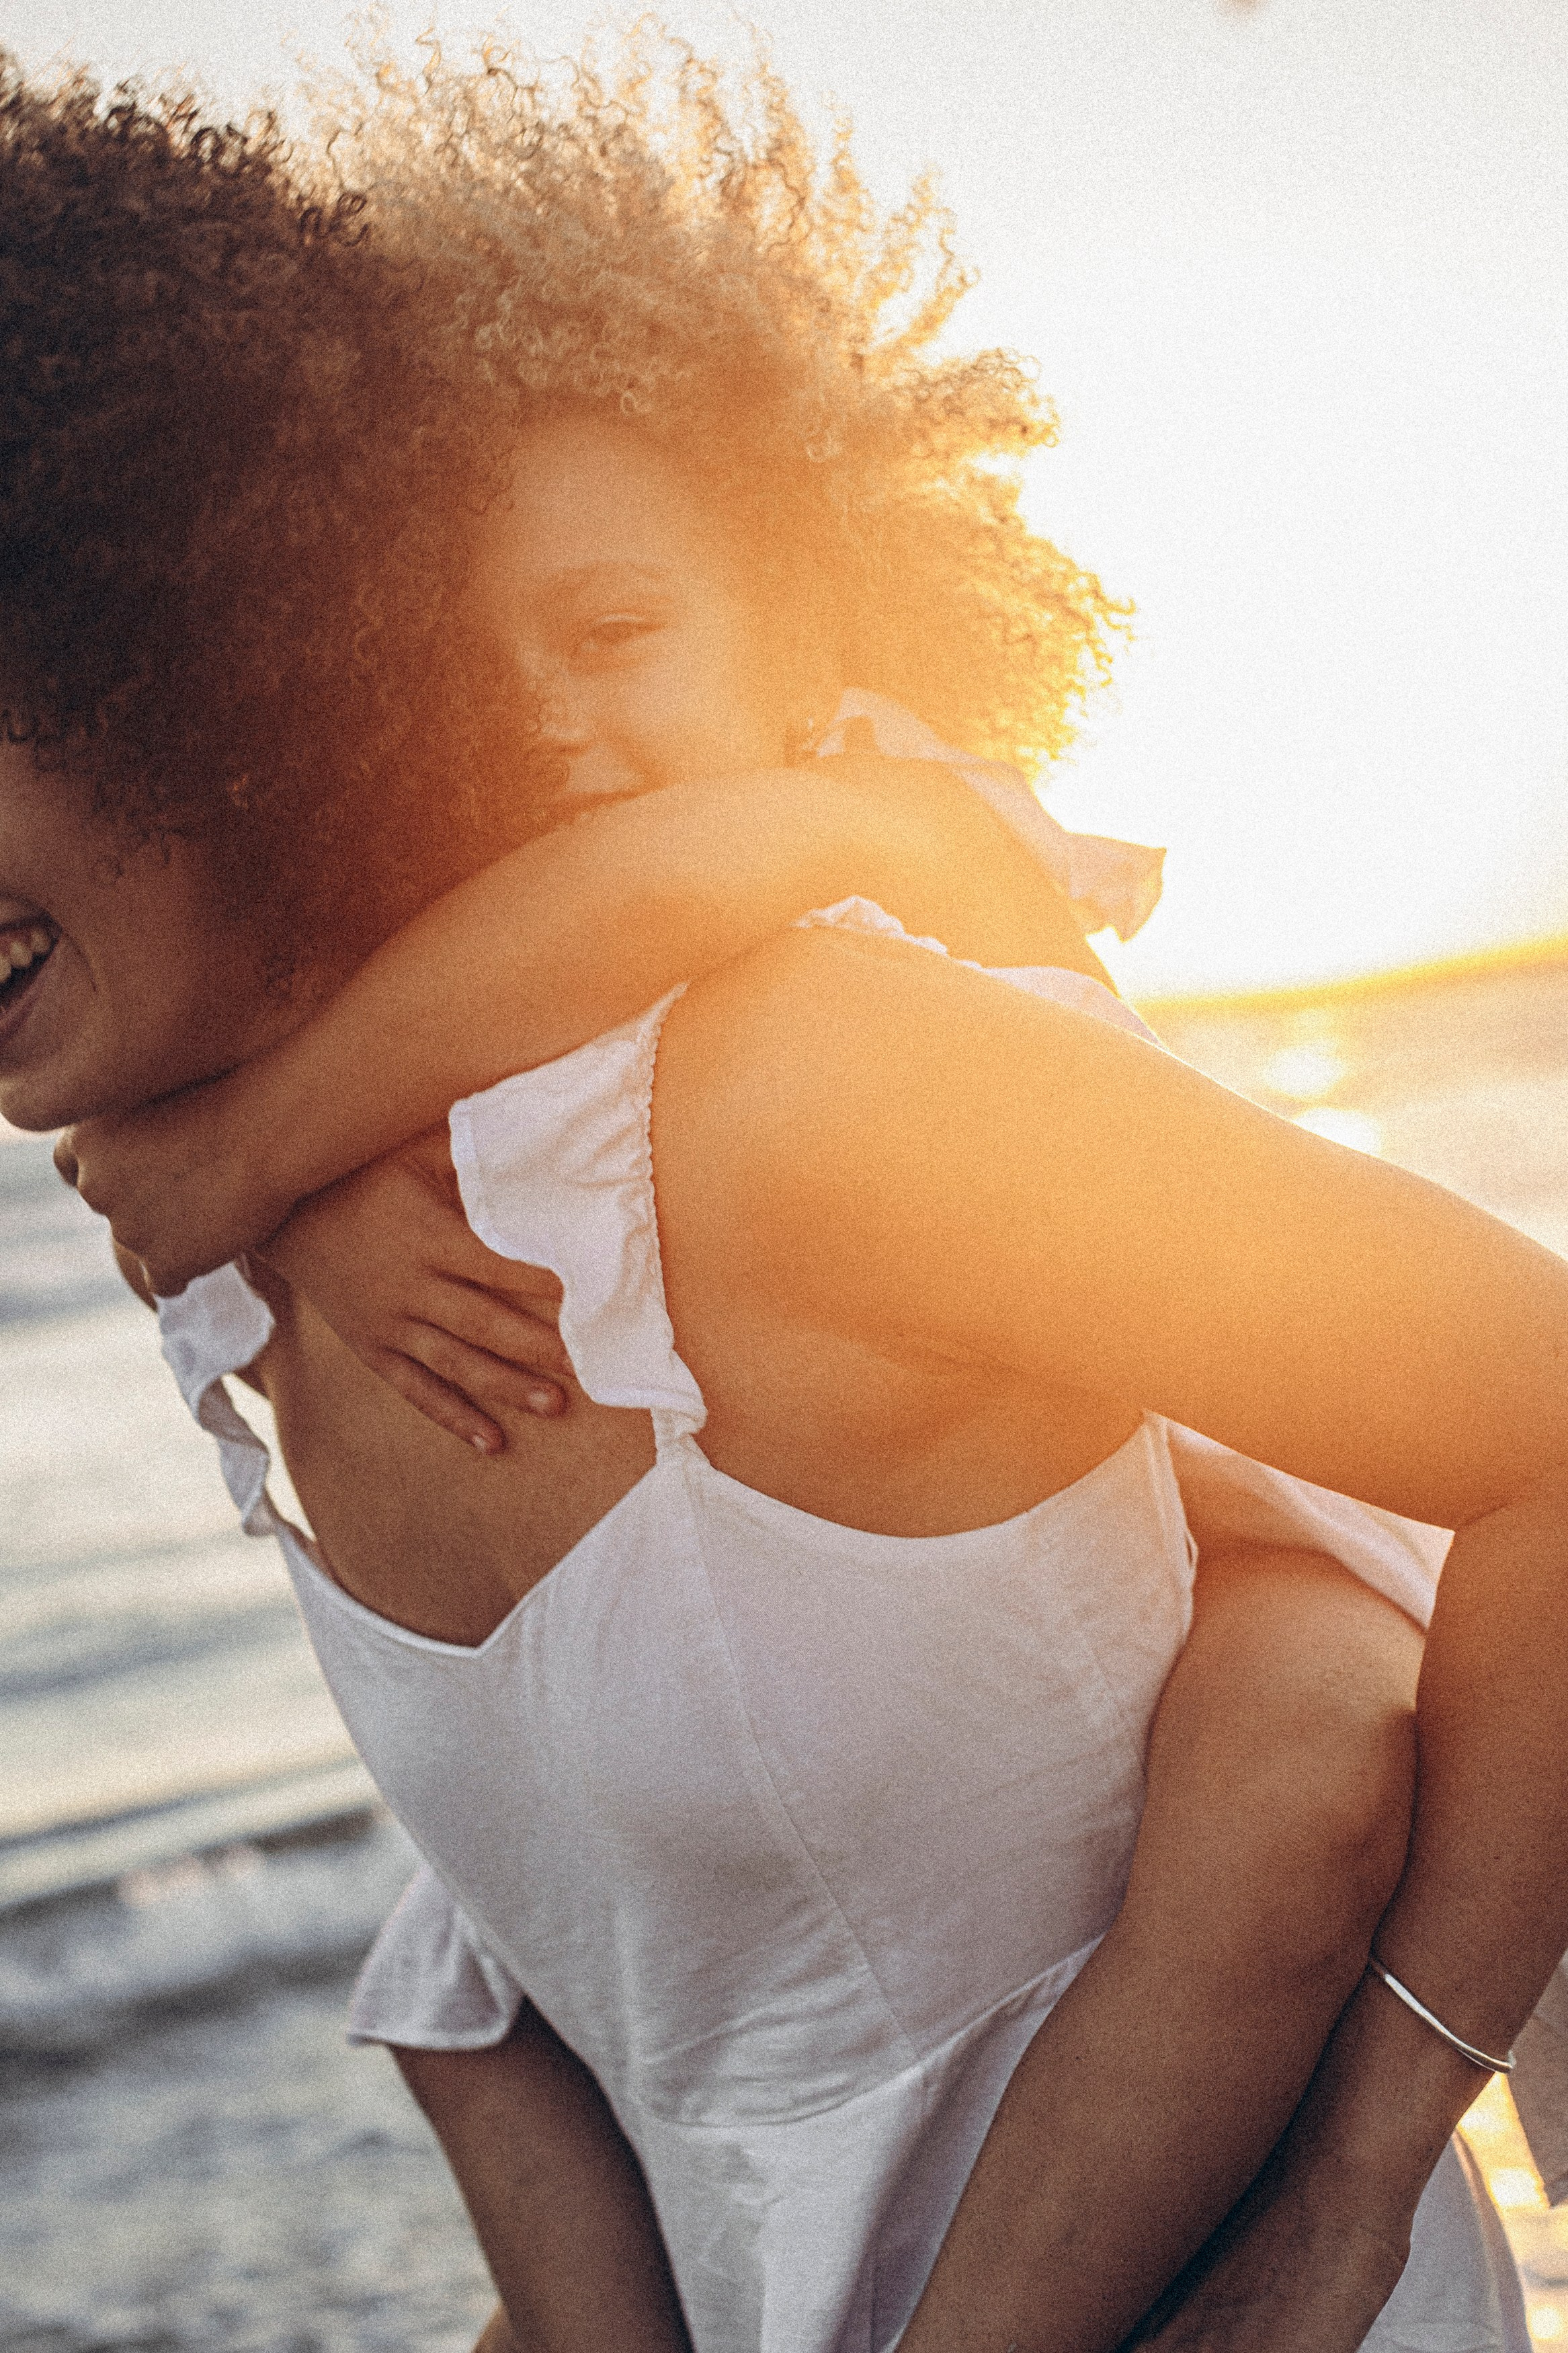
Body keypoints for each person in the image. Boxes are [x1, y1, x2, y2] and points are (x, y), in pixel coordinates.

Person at [4, 39, 1560, 2353]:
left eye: (615, 639)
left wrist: (1348, 2199)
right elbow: (627, 2020)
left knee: (1309, 1707)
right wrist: (250, 1169)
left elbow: (1532, 1421)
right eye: (467, 653)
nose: (540, 726)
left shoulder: (814, 1062)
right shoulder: (251, 1249)